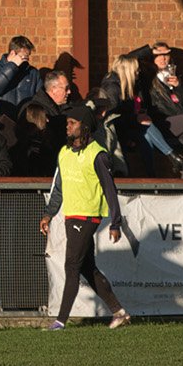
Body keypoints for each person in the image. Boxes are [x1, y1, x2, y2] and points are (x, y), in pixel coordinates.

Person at [39, 105, 129, 330]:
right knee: (88, 268)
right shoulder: (64, 152)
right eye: (67, 122)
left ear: (85, 127)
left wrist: (116, 223)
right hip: (71, 216)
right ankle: (119, 312)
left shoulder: (97, 154)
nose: (67, 127)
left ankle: (60, 321)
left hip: (88, 217)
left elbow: (110, 190)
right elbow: (58, 188)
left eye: (73, 123)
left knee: (72, 265)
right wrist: (49, 214)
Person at [0, 35, 42, 117]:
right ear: (12, 53)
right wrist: (12, 66)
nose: (26, 60)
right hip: (1, 118)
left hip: (24, 121)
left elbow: (39, 98)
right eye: (23, 57)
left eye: (28, 56)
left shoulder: (32, 73)